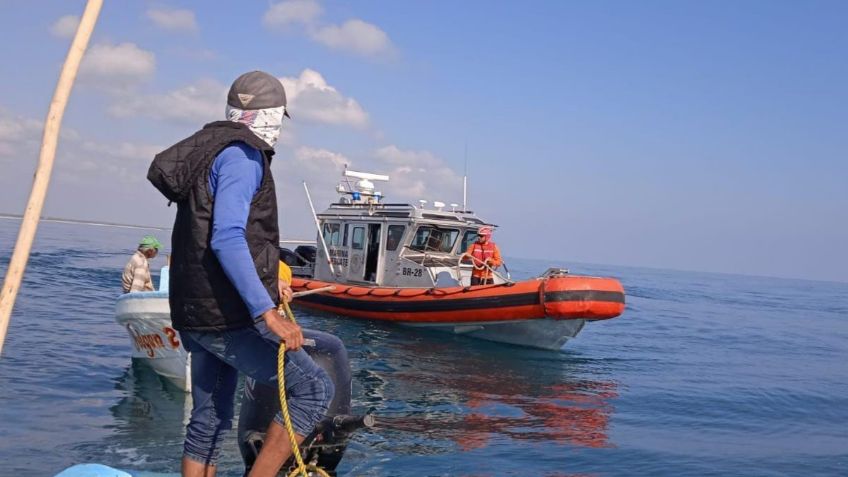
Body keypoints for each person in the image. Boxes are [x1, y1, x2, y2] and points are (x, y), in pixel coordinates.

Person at [147, 71, 333, 477]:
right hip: (223, 314)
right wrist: (268, 312)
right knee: (314, 389)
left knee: (210, 416)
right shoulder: (243, 157)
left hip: (194, 307)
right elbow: (228, 237)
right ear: (269, 116)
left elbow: (215, 235)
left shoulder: (209, 151)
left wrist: (270, 278)